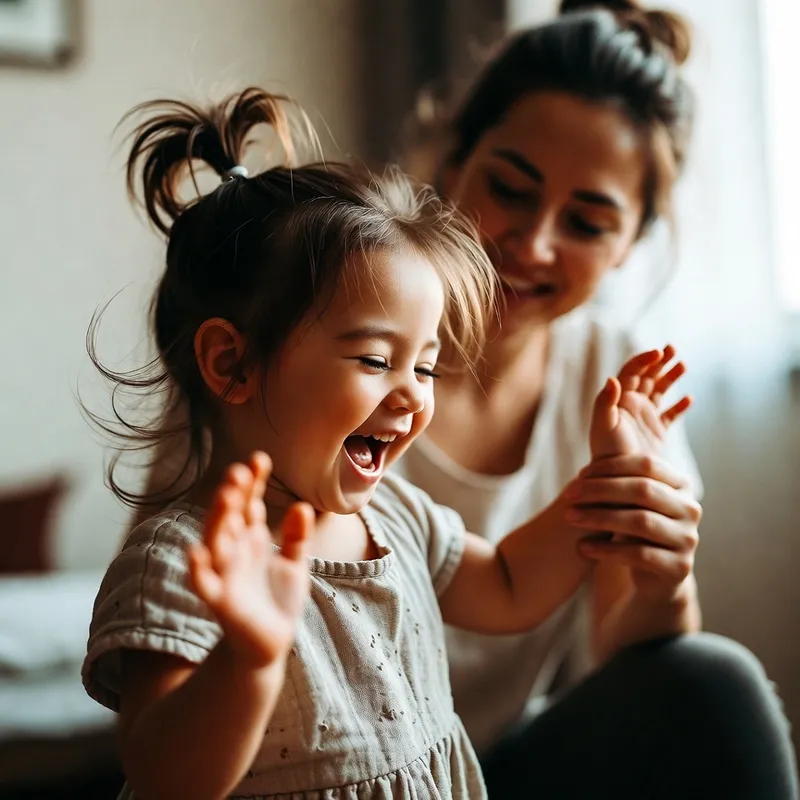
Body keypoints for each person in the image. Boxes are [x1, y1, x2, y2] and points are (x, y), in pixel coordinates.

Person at [82, 88, 701, 799]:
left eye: (426, 366)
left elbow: (508, 584)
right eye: (376, 361)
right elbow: (163, 779)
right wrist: (248, 663)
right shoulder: (182, 562)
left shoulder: (395, 519)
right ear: (232, 364)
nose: (412, 396)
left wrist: (611, 481)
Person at [393, 0, 799, 796]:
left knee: (713, 678)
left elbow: (634, 669)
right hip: (324, 772)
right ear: (453, 163)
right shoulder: (327, 336)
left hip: (495, 771)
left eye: (585, 221)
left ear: (629, 245)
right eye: (510, 189)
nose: (534, 243)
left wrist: (662, 576)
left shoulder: (616, 375)